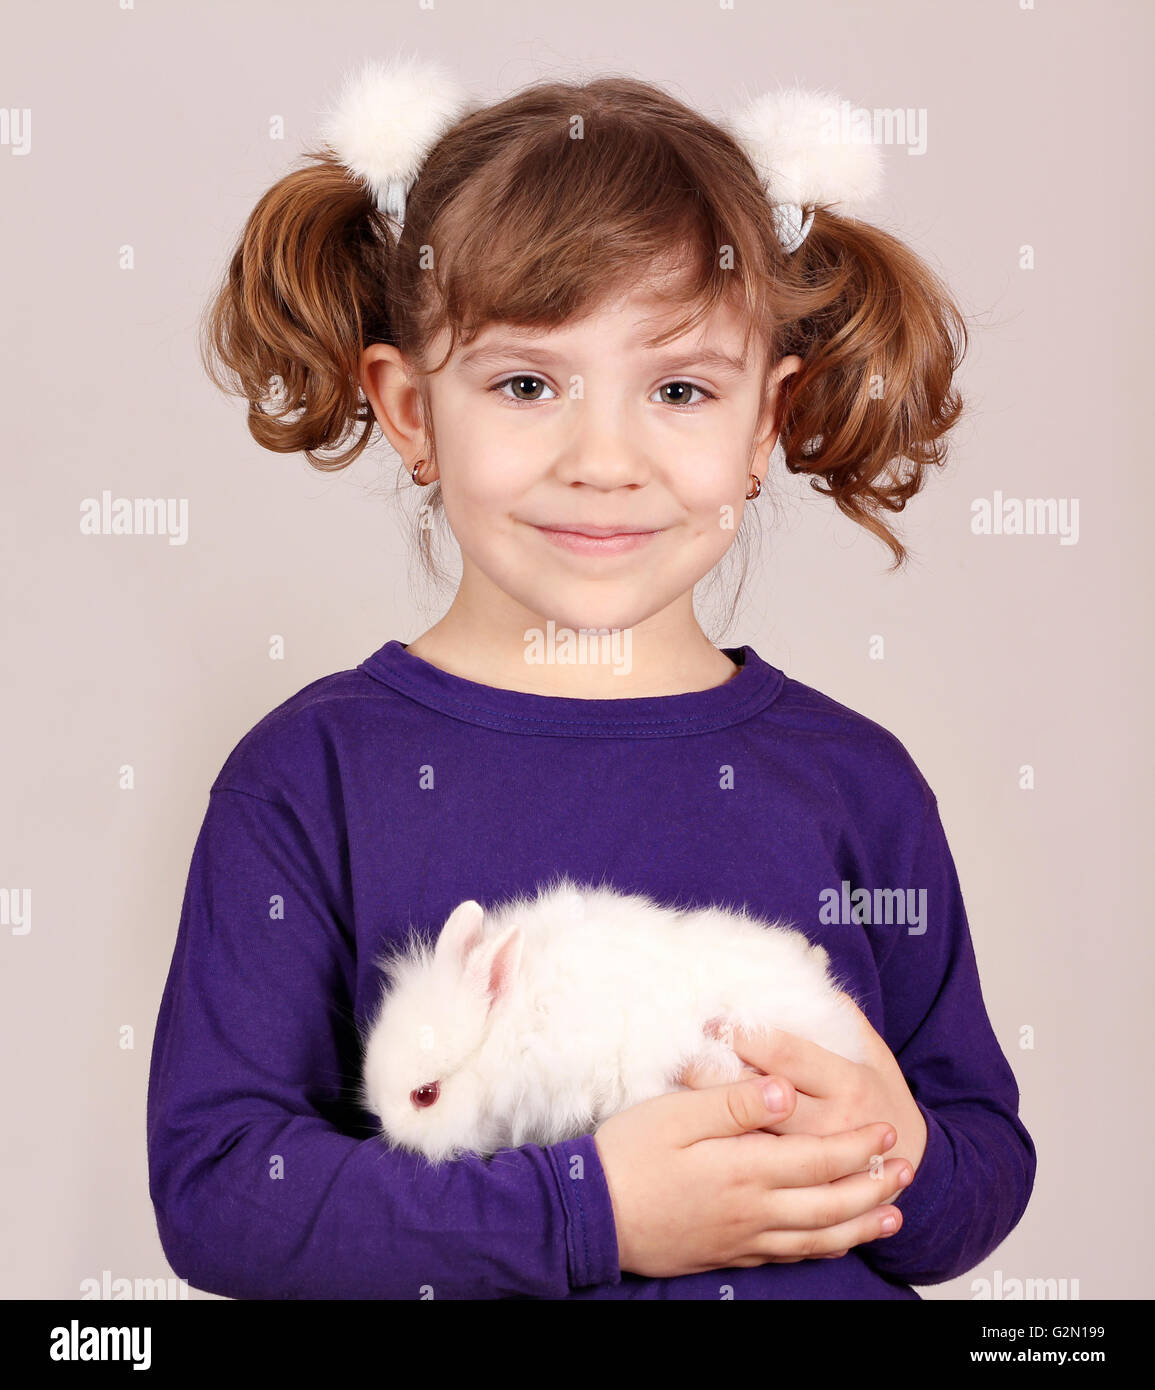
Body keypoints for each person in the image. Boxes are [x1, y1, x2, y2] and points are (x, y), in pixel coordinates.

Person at [146, 67, 1036, 1300]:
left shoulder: (856, 782)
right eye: (525, 385)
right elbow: (225, 1191)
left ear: (763, 421)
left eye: (679, 391)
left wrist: (905, 1151)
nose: (605, 461)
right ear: (412, 411)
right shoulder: (310, 779)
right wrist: (590, 1212)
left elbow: (979, 1167)